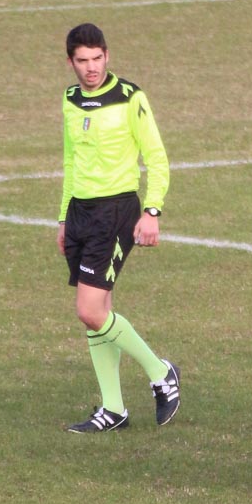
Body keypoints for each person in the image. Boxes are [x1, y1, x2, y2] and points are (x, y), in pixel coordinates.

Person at [57, 23, 180, 433]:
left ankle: (160, 372)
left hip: (116, 212)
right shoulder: (71, 100)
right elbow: (71, 160)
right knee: (97, 315)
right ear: (71, 62)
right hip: (80, 212)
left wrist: (153, 210)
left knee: (89, 310)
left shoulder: (130, 98)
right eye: (82, 60)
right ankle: (113, 409)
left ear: (107, 56)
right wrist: (63, 217)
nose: (91, 67)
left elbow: (156, 157)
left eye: (97, 58)